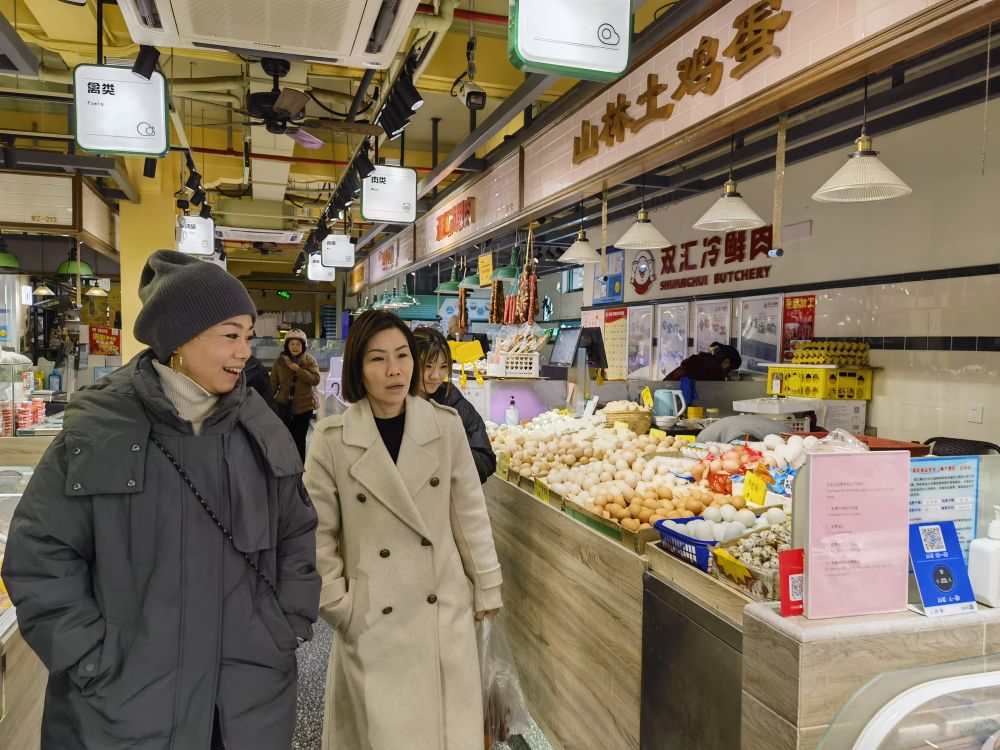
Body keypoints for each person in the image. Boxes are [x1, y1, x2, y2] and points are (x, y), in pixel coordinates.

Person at [1, 250, 320, 750]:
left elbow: (296, 534)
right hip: (122, 705)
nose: (244, 351)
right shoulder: (102, 426)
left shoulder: (259, 425)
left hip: (243, 700)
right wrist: (91, 659)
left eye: (247, 335)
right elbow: (40, 555)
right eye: (230, 335)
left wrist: (285, 629)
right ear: (179, 340)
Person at [305, 309, 502, 750]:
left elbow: (469, 513)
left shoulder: (445, 426)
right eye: (378, 359)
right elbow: (316, 535)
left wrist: (487, 584)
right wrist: (338, 605)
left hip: (441, 612)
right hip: (372, 616)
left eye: (402, 355)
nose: (394, 369)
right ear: (358, 368)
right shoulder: (333, 440)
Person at [412, 326, 496, 483]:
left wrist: (448, 460)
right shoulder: (393, 404)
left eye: (443, 367)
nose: (436, 376)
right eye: (428, 366)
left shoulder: (453, 402)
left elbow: (486, 459)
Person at [270, 328, 321, 460]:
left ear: (303, 346)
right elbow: (273, 384)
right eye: (292, 344)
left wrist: (298, 370)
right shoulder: (279, 361)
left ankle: (299, 467)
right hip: (283, 405)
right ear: (287, 345)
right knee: (283, 438)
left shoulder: (309, 360)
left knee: (300, 439)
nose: (295, 347)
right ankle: (285, 464)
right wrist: (268, 402)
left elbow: (315, 380)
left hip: (304, 407)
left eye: (298, 344)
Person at [664, 341, 742, 381]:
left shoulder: (701, 360)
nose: (728, 373)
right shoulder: (713, 371)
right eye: (730, 370)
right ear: (726, 362)